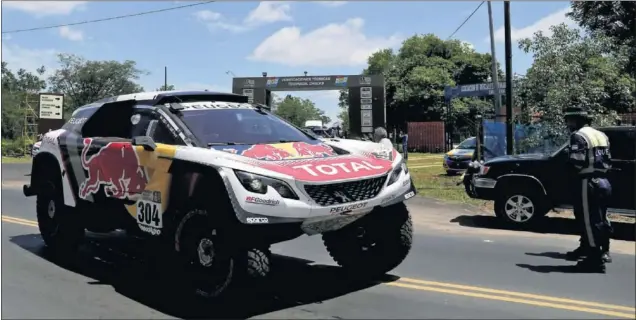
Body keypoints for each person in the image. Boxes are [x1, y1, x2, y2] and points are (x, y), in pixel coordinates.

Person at [563, 106, 613, 272]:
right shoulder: (601, 135)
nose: (568, 124)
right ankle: (601, 250)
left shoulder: (578, 136)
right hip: (604, 181)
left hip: (587, 181)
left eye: (569, 120)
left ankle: (594, 258)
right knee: (601, 218)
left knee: (589, 221)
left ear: (577, 120)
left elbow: (577, 161)